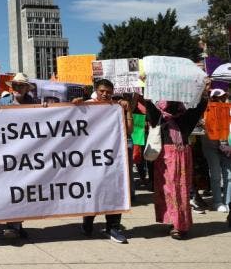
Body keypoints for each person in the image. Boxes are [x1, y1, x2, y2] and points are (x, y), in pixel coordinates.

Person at [143, 79, 210, 240]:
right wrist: (146, 86)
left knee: (179, 191)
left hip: (178, 157)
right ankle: (172, 220)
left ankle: (179, 225)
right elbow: (149, 105)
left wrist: (205, 90)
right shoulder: (161, 116)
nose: (171, 104)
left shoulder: (184, 116)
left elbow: (200, 105)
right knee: (167, 191)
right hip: (163, 159)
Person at [72, 79, 131, 244]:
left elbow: (129, 130)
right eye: (102, 91)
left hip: (112, 158)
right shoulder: (87, 105)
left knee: (114, 190)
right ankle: (88, 222)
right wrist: (74, 105)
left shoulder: (116, 107)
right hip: (90, 158)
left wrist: (127, 111)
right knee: (93, 190)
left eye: (108, 92)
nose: (105, 94)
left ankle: (113, 227)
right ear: (96, 91)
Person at [0, 72, 37, 239]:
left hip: (26, 153)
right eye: (16, 85)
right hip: (8, 152)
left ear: (27, 88)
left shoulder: (33, 103)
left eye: (22, 85)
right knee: (10, 188)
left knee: (23, 190)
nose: (19, 88)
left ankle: (18, 224)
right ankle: (11, 223)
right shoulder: (3, 102)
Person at [201, 88, 231, 213]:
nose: (220, 100)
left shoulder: (228, 109)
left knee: (228, 175)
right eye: (216, 98)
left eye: (222, 98)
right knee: (215, 173)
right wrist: (203, 122)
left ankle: (228, 202)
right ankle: (217, 201)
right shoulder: (205, 110)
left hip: (226, 144)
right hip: (210, 145)